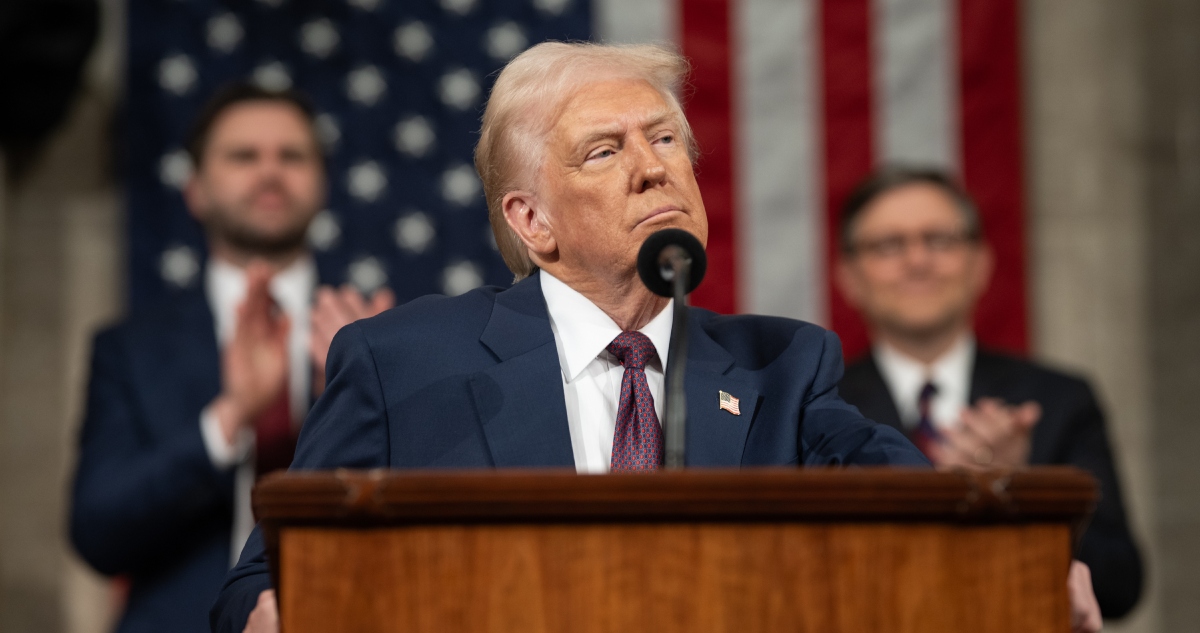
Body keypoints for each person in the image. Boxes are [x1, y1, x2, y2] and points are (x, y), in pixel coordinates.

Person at [69, 83, 393, 633]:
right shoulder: (130, 349)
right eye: (244, 156)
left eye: (291, 156)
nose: (270, 172)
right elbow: (98, 533)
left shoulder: (378, 331)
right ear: (195, 189)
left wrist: (350, 398)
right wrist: (231, 417)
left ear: (321, 185)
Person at [835, 166, 1143, 619]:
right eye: (888, 246)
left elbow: (1121, 583)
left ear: (981, 265)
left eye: (939, 240)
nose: (917, 261)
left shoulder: (1060, 400)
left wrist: (1016, 494)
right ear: (849, 276)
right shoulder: (817, 401)